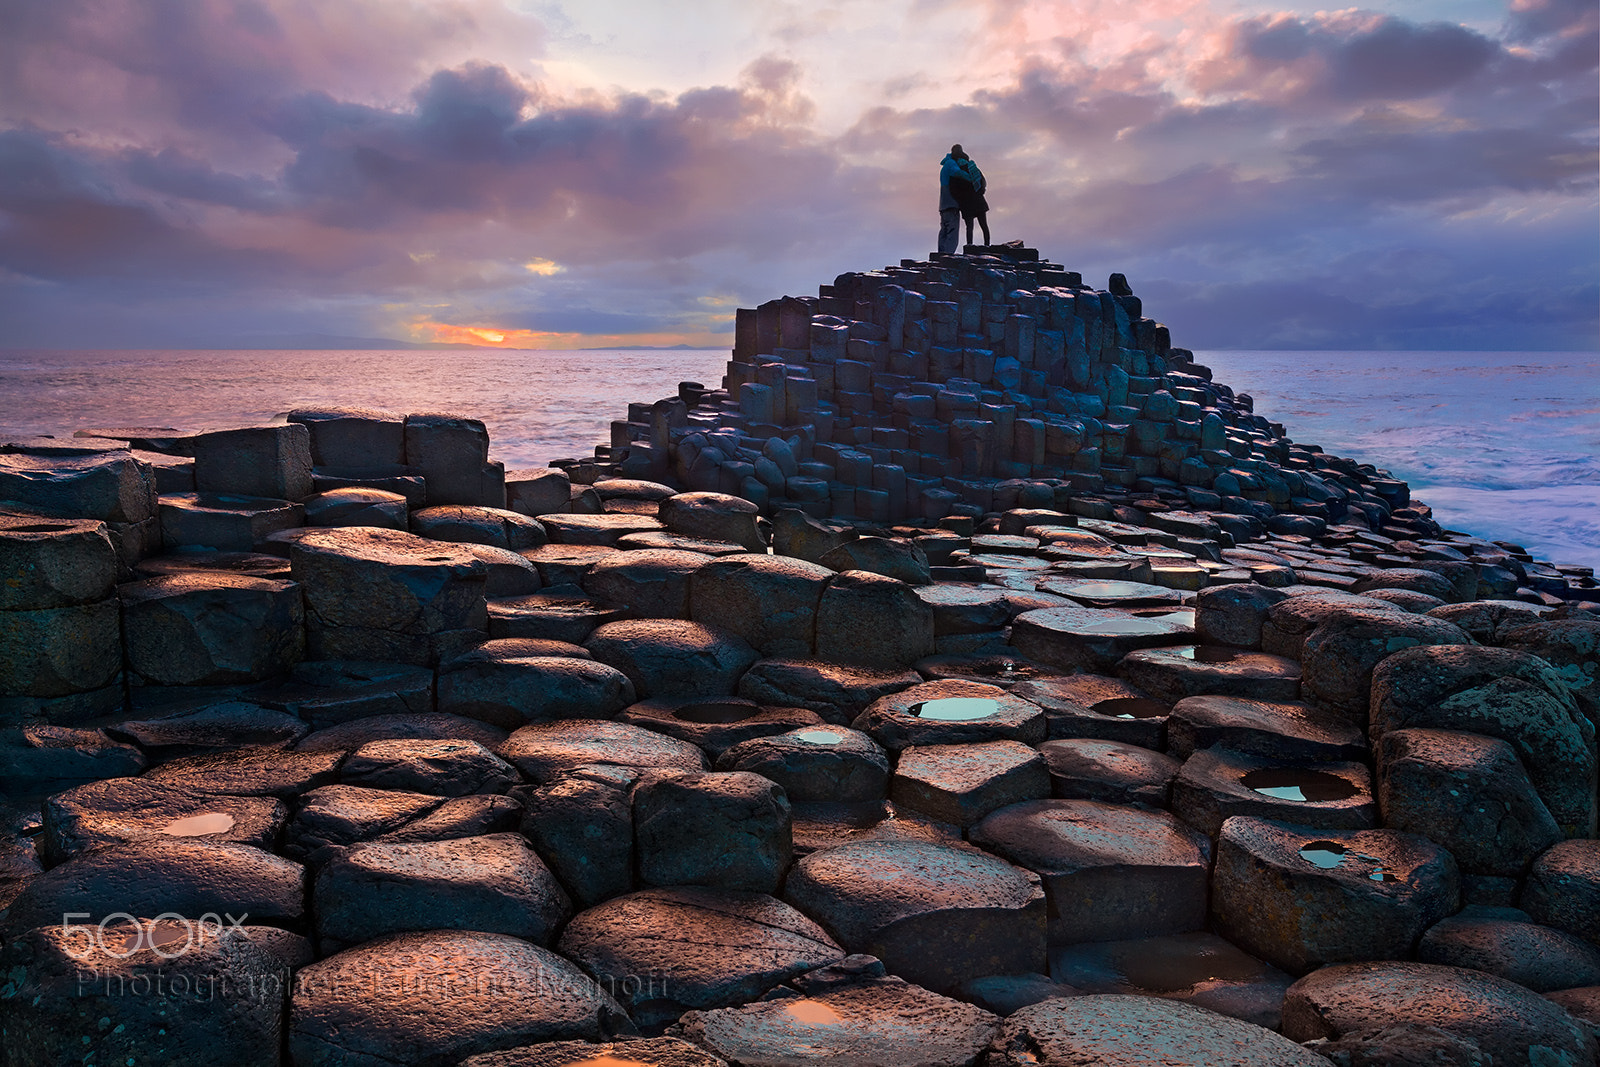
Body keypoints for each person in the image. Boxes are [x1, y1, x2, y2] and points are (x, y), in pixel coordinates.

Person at [951, 147, 990, 247]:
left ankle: (970, 248)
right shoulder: (973, 167)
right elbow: (982, 182)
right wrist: (980, 192)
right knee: (984, 226)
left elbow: (954, 190)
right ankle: (987, 246)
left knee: (969, 228)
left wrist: (960, 200)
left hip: (966, 203)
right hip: (978, 200)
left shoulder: (956, 170)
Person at [937, 145, 967, 254]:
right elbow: (958, 173)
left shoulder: (945, 165)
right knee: (952, 232)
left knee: (944, 230)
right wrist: (969, 176)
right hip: (951, 203)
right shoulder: (951, 164)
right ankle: (948, 256)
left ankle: (941, 254)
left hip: (943, 204)